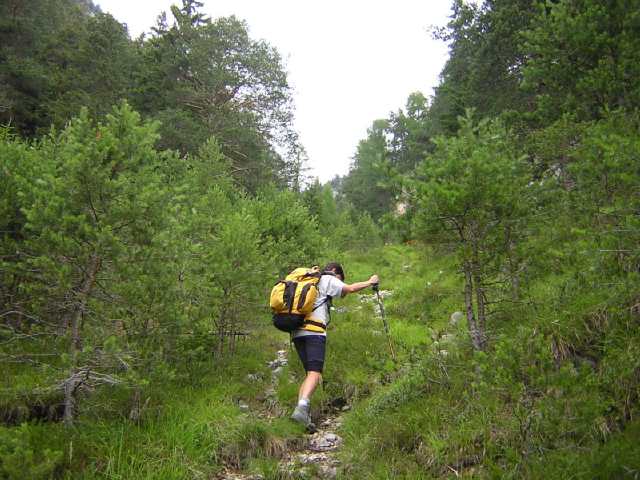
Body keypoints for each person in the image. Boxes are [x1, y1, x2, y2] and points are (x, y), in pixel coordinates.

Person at [290, 262, 379, 428]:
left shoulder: (307, 280)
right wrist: (370, 281)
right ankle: (302, 407)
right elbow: (350, 289)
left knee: (310, 374)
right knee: (315, 372)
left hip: (296, 331)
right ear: (335, 272)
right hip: (314, 332)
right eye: (340, 278)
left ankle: (303, 417)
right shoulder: (327, 279)